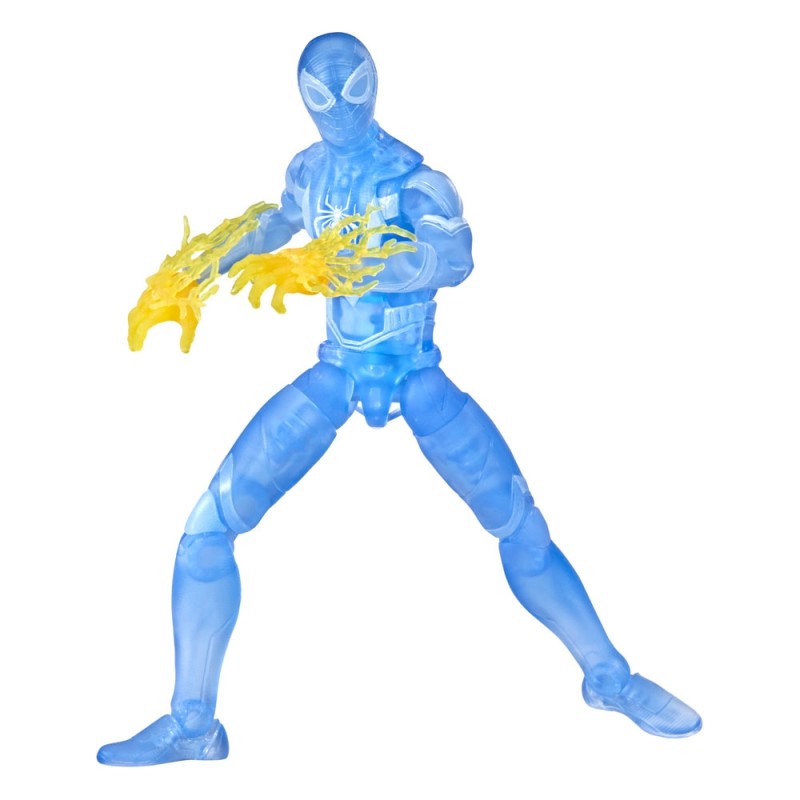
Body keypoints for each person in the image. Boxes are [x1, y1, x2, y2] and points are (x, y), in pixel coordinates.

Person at [98, 32, 701, 766]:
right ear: (301, 98)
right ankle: (194, 724)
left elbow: (454, 258)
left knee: (522, 527)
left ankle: (610, 679)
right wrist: (203, 264)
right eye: (321, 94)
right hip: (338, 372)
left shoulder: (416, 180)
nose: (339, 107)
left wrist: (346, 264)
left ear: (374, 83)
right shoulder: (309, 172)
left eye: (352, 87)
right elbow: (275, 222)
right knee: (205, 530)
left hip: (416, 375)